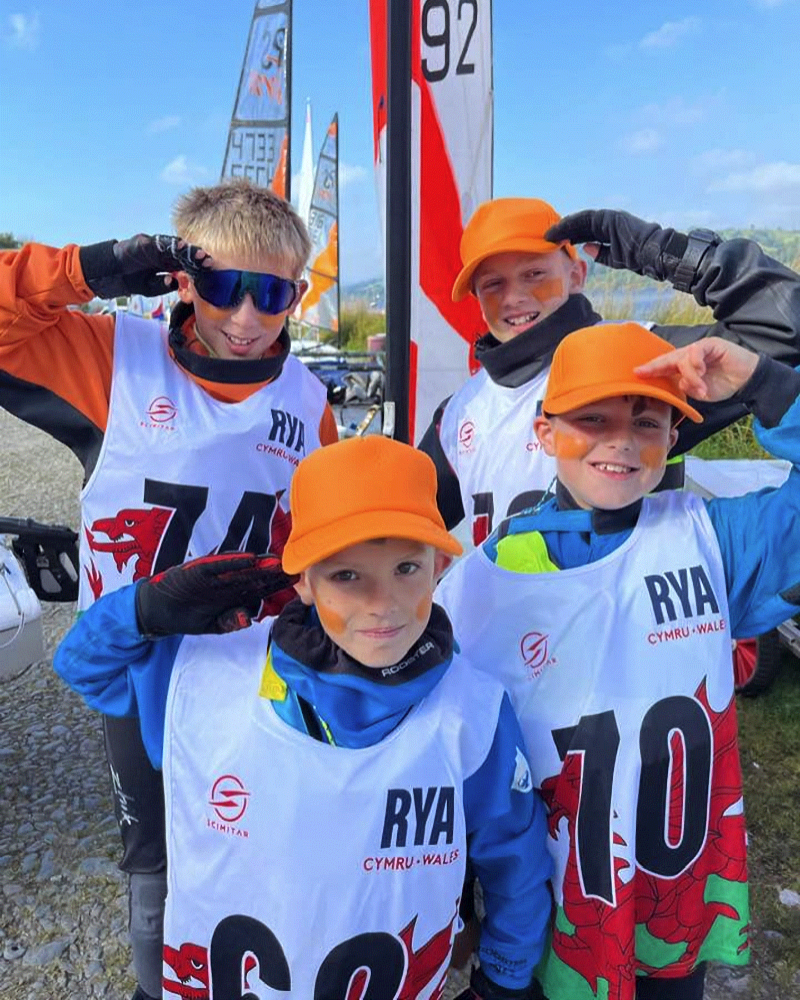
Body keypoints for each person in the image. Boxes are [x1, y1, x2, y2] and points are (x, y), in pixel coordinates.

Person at [54, 435, 553, 1000]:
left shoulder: (473, 712)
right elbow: (80, 666)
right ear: (303, 581)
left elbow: (515, 856)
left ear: (440, 565)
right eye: (346, 576)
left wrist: (506, 979)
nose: (382, 602)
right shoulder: (208, 676)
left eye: (406, 567)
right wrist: (146, 608)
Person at [0, 178, 339, 1000]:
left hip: (254, 668)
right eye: (225, 286)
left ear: (298, 291)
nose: (249, 316)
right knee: (152, 849)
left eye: (275, 293)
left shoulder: (310, 397)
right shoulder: (113, 355)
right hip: (138, 663)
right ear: (183, 280)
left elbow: (324, 539)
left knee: (257, 834)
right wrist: (95, 267)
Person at [436, 323, 800, 1000]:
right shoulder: (478, 586)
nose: (622, 441)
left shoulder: (710, 540)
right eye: (592, 419)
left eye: (648, 421)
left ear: (672, 437)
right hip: (556, 929)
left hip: (673, 922)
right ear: (543, 435)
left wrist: (761, 382)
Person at [418, 199, 800, 544]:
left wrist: (675, 254)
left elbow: (786, 329)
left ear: (577, 274)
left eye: (534, 273)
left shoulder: (642, 355)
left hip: (635, 612)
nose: (514, 297)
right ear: (477, 300)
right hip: (514, 619)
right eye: (492, 284)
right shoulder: (458, 414)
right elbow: (407, 522)